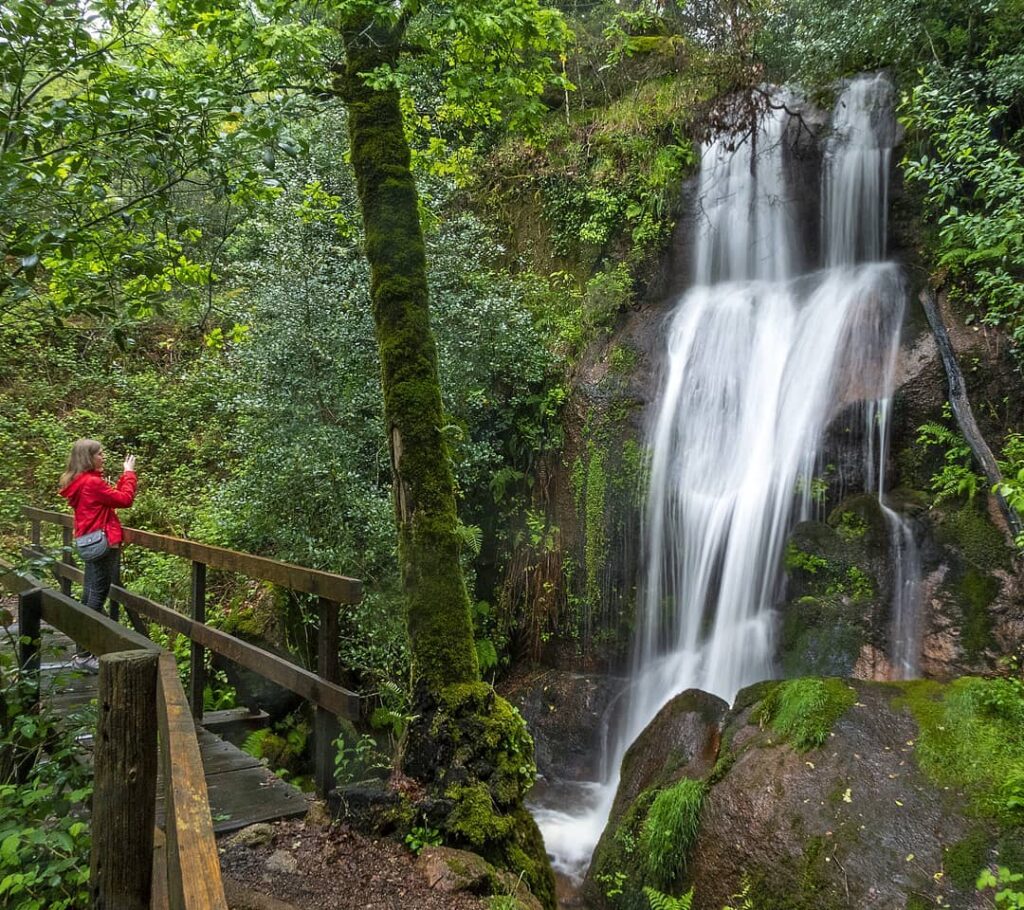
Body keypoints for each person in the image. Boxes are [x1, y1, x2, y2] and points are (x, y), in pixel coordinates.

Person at [58, 439, 137, 672]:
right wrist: (129, 473)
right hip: (102, 544)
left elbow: (111, 499)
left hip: (88, 541)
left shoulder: (79, 482)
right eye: (99, 454)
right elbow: (124, 499)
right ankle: (84, 655)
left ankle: (86, 651)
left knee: (90, 595)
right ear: (88, 458)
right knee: (94, 599)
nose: (103, 457)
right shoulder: (92, 483)